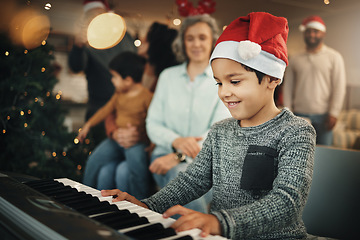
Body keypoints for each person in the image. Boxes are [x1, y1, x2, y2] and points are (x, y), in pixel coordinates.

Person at [101, 12, 316, 240]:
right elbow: (192, 181)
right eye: (219, 83)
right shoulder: (220, 131)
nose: (223, 92)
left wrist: (219, 222)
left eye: (234, 81)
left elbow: (287, 202)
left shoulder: (296, 131)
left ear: (272, 78)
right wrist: (148, 205)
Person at [143, 13, 230, 214]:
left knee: (181, 175)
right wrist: (176, 141)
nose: (196, 44)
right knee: (178, 175)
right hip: (163, 157)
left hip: (207, 163)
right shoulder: (167, 77)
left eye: (202, 38)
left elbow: (219, 130)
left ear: (213, 42)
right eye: (190, 38)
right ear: (182, 42)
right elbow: (153, 123)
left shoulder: (223, 81)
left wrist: (180, 155)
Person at [96, 22, 179, 195]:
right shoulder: (130, 69)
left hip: (144, 147)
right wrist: (115, 132)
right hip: (121, 140)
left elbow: (162, 121)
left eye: (146, 38)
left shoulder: (167, 80)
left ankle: (133, 213)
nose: (140, 40)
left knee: (122, 172)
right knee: (104, 172)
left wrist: (139, 135)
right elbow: (112, 108)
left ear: (155, 45)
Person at [77, 51, 153, 199]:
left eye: (115, 77)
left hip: (135, 143)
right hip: (115, 140)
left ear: (128, 80)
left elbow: (152, 122)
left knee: (138, 172)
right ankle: (84, 196)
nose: (112, 80)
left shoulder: (147, 97)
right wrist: (88, 124)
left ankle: (142, 204)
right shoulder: (119, 94)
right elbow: (106, 110)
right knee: (94, 160)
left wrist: (148, 142)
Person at [68, 0, 137, 145]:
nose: (95, 19)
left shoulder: (124, 36)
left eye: (99, 15)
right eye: (91, 16)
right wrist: (78, 47)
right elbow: (76, 66)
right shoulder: (87, 42)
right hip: (99, 108)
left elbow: (135, 65)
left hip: (127, 108)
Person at [283, 15, 346, 146]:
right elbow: (288, 86)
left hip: (324, 116)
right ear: (304, 33)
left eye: (315, 31)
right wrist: (288, 111)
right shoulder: (295, 58)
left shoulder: (334, 57)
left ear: (323, 33)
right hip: (299, 115)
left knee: (324, 155)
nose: (312, 34)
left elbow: (339, 87)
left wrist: (334, 113)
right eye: (308, 31)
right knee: (300, 153)